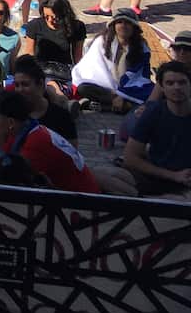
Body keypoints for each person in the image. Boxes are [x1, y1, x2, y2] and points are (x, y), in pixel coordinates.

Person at [0, 90, 99, 193]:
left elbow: (6, 183)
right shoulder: (21, 130)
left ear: (11, 123)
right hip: (68, 196)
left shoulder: (35, 143)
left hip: (80, 205)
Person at [123, 61, 191, 197]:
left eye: (182, 82)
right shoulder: (154, 112)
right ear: (162, 87)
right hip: (159, 176)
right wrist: (173, 176)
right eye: (170, 83)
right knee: (107, 177)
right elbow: (130, 157)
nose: (176, 87)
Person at [72, 10, 153, 114]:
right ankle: (123, 105)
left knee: (154, 92)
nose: (123, 26)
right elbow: (92, 69)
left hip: (130, 88)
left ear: (134, 27)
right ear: (113, 25)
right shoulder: (102, 42)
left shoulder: (142, 47)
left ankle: (102, 106)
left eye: (128, 23)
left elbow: (140, 76)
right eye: (120, 22)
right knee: (84, 88)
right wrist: (116, 96)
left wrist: (123, 95)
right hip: (106, 88)